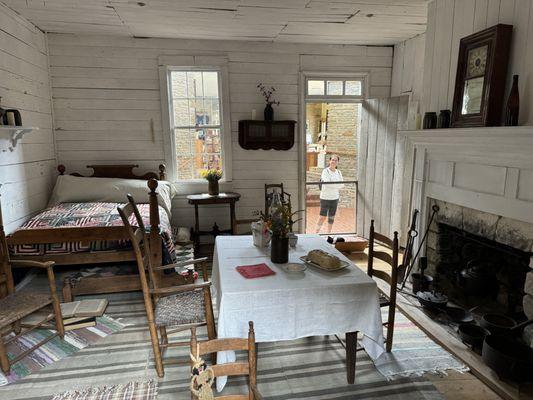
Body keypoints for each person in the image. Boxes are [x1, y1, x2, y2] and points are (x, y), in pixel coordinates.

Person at [315, 154, 344, 234]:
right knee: (322, 217)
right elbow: (327, 183)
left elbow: (342, 184)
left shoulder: (339, 172)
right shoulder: (325, 171)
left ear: (338, 162)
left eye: (336, 160)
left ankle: (328, 233)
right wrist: (336, 185)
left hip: (335, 198)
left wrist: (333, 185)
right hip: (325, 198)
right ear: (329, 161)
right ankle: (316, 233)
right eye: (332, 160)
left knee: (331, 217)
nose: (334, 161)